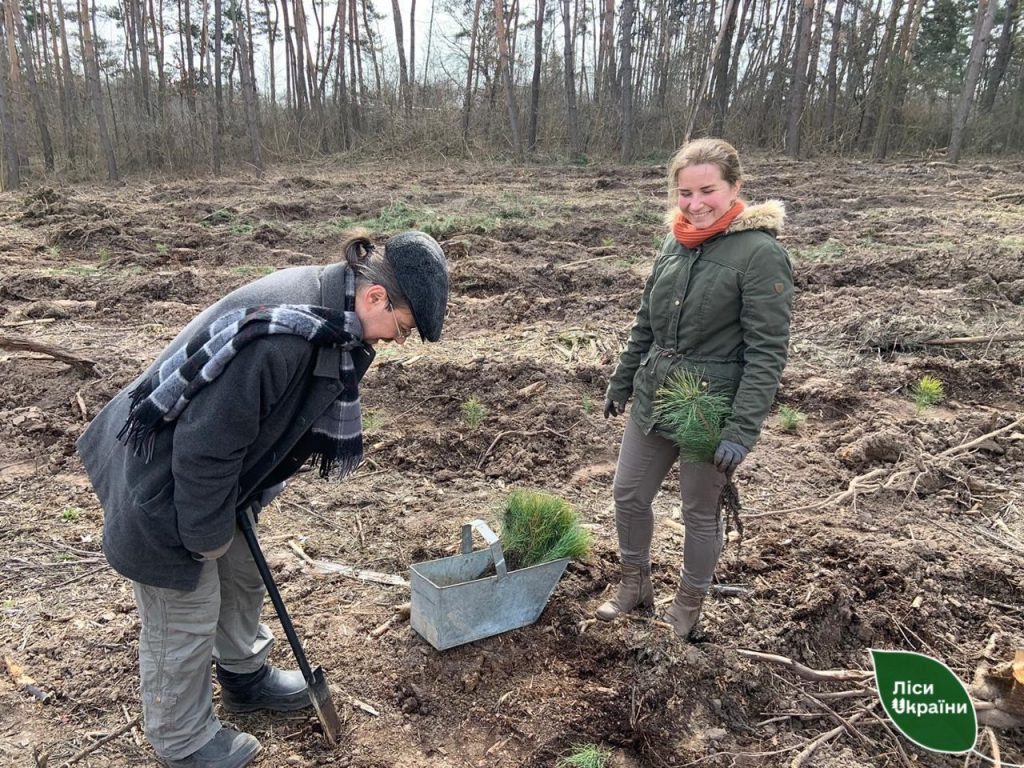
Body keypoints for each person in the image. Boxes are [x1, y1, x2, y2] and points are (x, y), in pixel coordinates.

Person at [77, 229, 449, 768]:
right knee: (187, 604)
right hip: (160, 478)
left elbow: (257, 428)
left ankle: (246, 679)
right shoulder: (285, 336)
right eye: (403, 327)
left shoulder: (332, 319)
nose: (396, 341)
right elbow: (204, 448)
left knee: (242, 567)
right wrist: (204, 539)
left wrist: (236, 511)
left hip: (214, 476)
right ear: (375, 297)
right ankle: (182, 741)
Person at [597, 138, 793, 639]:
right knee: (628, 493)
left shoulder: (760, 253)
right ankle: (634, 585)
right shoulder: (674, 242)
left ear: (734, 188)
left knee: (698, 512)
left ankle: (687, 607)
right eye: (685, 192)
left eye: (707, 190)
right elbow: (647, 320)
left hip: (711, 405)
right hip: (656, 392)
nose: (695, 203)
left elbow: (766, 352)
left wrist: (741, 428)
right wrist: (623, 379)